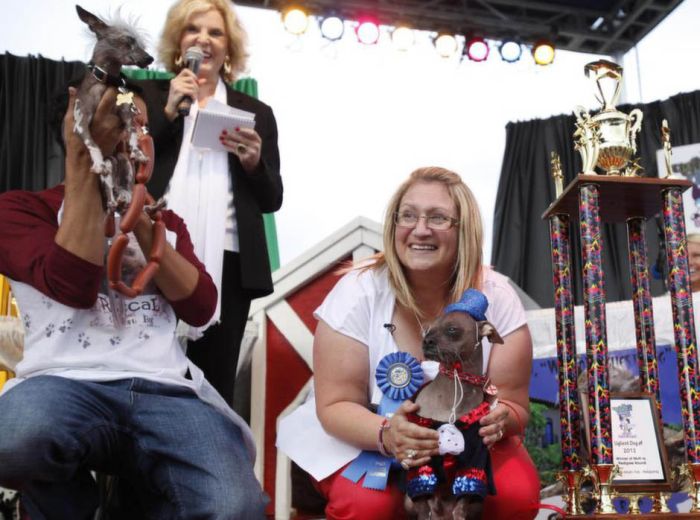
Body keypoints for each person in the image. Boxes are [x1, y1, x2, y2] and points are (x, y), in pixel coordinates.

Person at [0, 85, 265, 519]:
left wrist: (139, 214)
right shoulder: (21, 210)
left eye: (139, 124)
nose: (128, 136)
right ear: (75, 131)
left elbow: (201, 307)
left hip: (164, 389)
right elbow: (74, 285)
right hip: (63, 382)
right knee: (14, 439)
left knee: (233, 505)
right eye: (115, 123)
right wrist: (88, 168)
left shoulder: (167, 221)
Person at [277, 167, 540, 519]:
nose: (420, 229)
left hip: (468, 440)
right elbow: (336, 404)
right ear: (393, 225)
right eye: (409, 215)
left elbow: (514, 404)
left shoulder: (498, 296)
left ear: (465, 230)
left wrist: (501, 419)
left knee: (514, 496)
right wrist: (388, 434)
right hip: (367, 432)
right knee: (370, 504)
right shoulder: (357, 292)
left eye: (438, 218)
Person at [135, 0, 282, 407]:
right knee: (142, 382)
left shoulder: (255, 112)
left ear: (229, 48)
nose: (204, 39)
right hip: (152, 252)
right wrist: (166, 112)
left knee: (211, 387)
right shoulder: (147, 96)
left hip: (229, 262)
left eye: (215, 32)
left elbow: (273, 199)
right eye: (193, 30)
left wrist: (253, 163)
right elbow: (125, 167)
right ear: (179, 42)